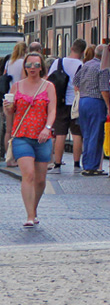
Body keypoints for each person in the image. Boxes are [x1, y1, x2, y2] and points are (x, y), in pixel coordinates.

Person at [2, 52, 57, 226]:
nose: (32, 68)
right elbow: (11, 111)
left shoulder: (48, 86)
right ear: (24, 67)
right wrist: (7, 110)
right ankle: (29, 216)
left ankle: (33, 209)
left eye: (35, 65)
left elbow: (53, 110)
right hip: (22, 136)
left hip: (42, 137)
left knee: (41, 180)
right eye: (29, 65)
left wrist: (47, 128)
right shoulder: (16, 87)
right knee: (28, 174)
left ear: (41, 67)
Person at [46, 39, 86, 172]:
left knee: (60, 134)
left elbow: (49, 80)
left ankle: (57, 163)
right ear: (82, 51)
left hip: (59, 102)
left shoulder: (58, 62)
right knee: (76, 134)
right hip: (75, 104)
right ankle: (76, 164)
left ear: (71, 48)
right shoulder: (81, 65)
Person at [74, 44, 110, 176]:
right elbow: (104, 89)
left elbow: (76, 81)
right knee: (96, 134)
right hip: (96, 102)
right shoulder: (103, 68)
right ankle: (92, 167)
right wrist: (109, 106)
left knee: (87, 134)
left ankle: (86, 164)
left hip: (83, 101)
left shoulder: (87, 64)